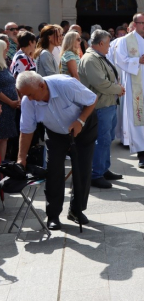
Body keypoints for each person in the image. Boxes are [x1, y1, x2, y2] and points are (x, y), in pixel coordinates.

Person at [16, 71, 98, 230]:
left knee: (82, 170)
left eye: (31, 94)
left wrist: (80, 121)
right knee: (53, 172)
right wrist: (21, 158)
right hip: (55, 133)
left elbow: (92, 99)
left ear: (41, 85)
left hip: (83, 127)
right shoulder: (28, 100)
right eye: (26, 96)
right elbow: (26, 130)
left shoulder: (65, 85)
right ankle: (53, 215)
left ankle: (76, 210)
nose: (29, 99)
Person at [79, 30, 125, 189]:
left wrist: (116, 89)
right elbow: (100, 83)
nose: (110, 46)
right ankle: (96, 174)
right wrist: (117, 89)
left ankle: (103, 169)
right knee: (102, 141)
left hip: (108, 104)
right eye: (108, 43)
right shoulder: (91, 59)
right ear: (100, 44)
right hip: (100, 106)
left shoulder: (98, 57)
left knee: (107, 139)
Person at [115, 13, 144, 168]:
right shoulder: (125, 41)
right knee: (139, 118)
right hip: (134, 86)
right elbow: (120, 59)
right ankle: (142, 154)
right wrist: (137, 61)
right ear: (134, 24)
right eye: (142, 23)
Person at [0, 40, 20, 161]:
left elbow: (12, 83)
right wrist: (10, 102)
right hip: (3, 107)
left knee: (4, 138)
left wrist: (17, 99)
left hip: (9, 109)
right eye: (4, 48)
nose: (7, 49)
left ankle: (1, 167)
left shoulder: (4, 65)